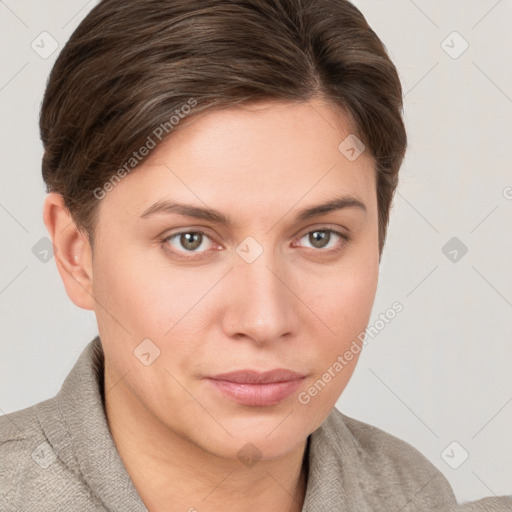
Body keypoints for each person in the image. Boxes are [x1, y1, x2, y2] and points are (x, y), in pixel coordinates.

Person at [0, 0, 510, 511]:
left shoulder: (418, 496)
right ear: (75, 255)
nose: (265, 320)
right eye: (190, 240)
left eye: (319, 237)